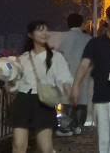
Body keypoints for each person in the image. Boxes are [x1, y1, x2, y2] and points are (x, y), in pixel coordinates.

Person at [71, 4, 110, 153]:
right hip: (101, 96)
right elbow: (84, 64)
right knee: (103, 139)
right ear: (108, 20)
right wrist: (76, 86)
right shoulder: (95, 43)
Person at [9, 21, 73, 153]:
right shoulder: (23, 58)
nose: (44, 33)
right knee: (18, 145)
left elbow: (65, 78)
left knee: (45, 148)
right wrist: (8, 79)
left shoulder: (55, 57)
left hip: (43, 101)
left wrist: (68, 90)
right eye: (40, 30)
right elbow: (14, 85)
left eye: (46, 30)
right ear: (30, 35)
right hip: (23, 100)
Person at [54, 13, 91, 137]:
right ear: (82, 24)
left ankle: (67, 125)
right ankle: (78, 126)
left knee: (66, 101)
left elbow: (58, 55)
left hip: (67, 73)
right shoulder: (87, 38)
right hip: (84, 74)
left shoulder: (63, 37)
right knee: (82, 100)